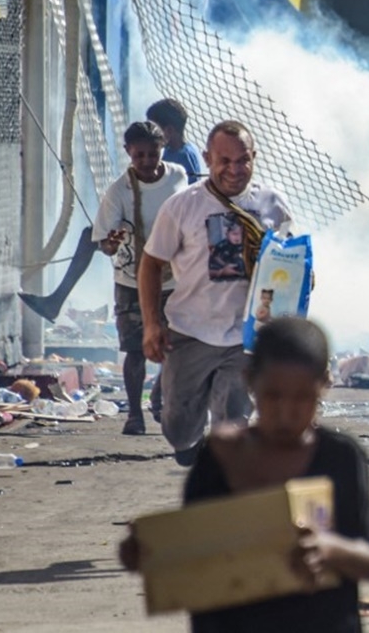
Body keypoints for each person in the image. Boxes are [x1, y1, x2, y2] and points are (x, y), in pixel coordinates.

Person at [118, 318, 369, 632]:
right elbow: (190, 547)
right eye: (273, 397)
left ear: (324, 384)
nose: (286, 413)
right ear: (249, 382)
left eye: (302, 398)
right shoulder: (218, 456)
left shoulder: (340, 457)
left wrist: (329, 549)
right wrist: (144, 552)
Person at [139, 120, 294, 466]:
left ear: (254, 158)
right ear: (207, 159)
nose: (234, 170)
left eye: (243, 161)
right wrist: (151, 325)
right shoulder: (182, 207)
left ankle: (223, 485)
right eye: (224, 161)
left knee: (232, 422)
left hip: (246, 337)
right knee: (177, 426)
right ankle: (188, 445)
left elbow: (288, 263)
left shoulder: (272, 204)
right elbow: (150, 264)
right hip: (190, 332)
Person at [93, 121, 189, 434]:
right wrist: (114, 241)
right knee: (135, 349)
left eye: (153, 154)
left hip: (174, 279)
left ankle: (159, 395)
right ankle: (135, 415)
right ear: (128, 153)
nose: (147, 162)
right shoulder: (118, 192)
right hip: (131, 281)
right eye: (140, 156)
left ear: (163, 149)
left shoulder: (178, 176)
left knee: (176, 344)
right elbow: (105, 246)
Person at [147, 98, 203, 184]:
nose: (151, 134)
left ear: (169, 130)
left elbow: (192, 188)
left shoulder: (184, 156)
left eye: (154, 130)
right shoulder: (169, 149)